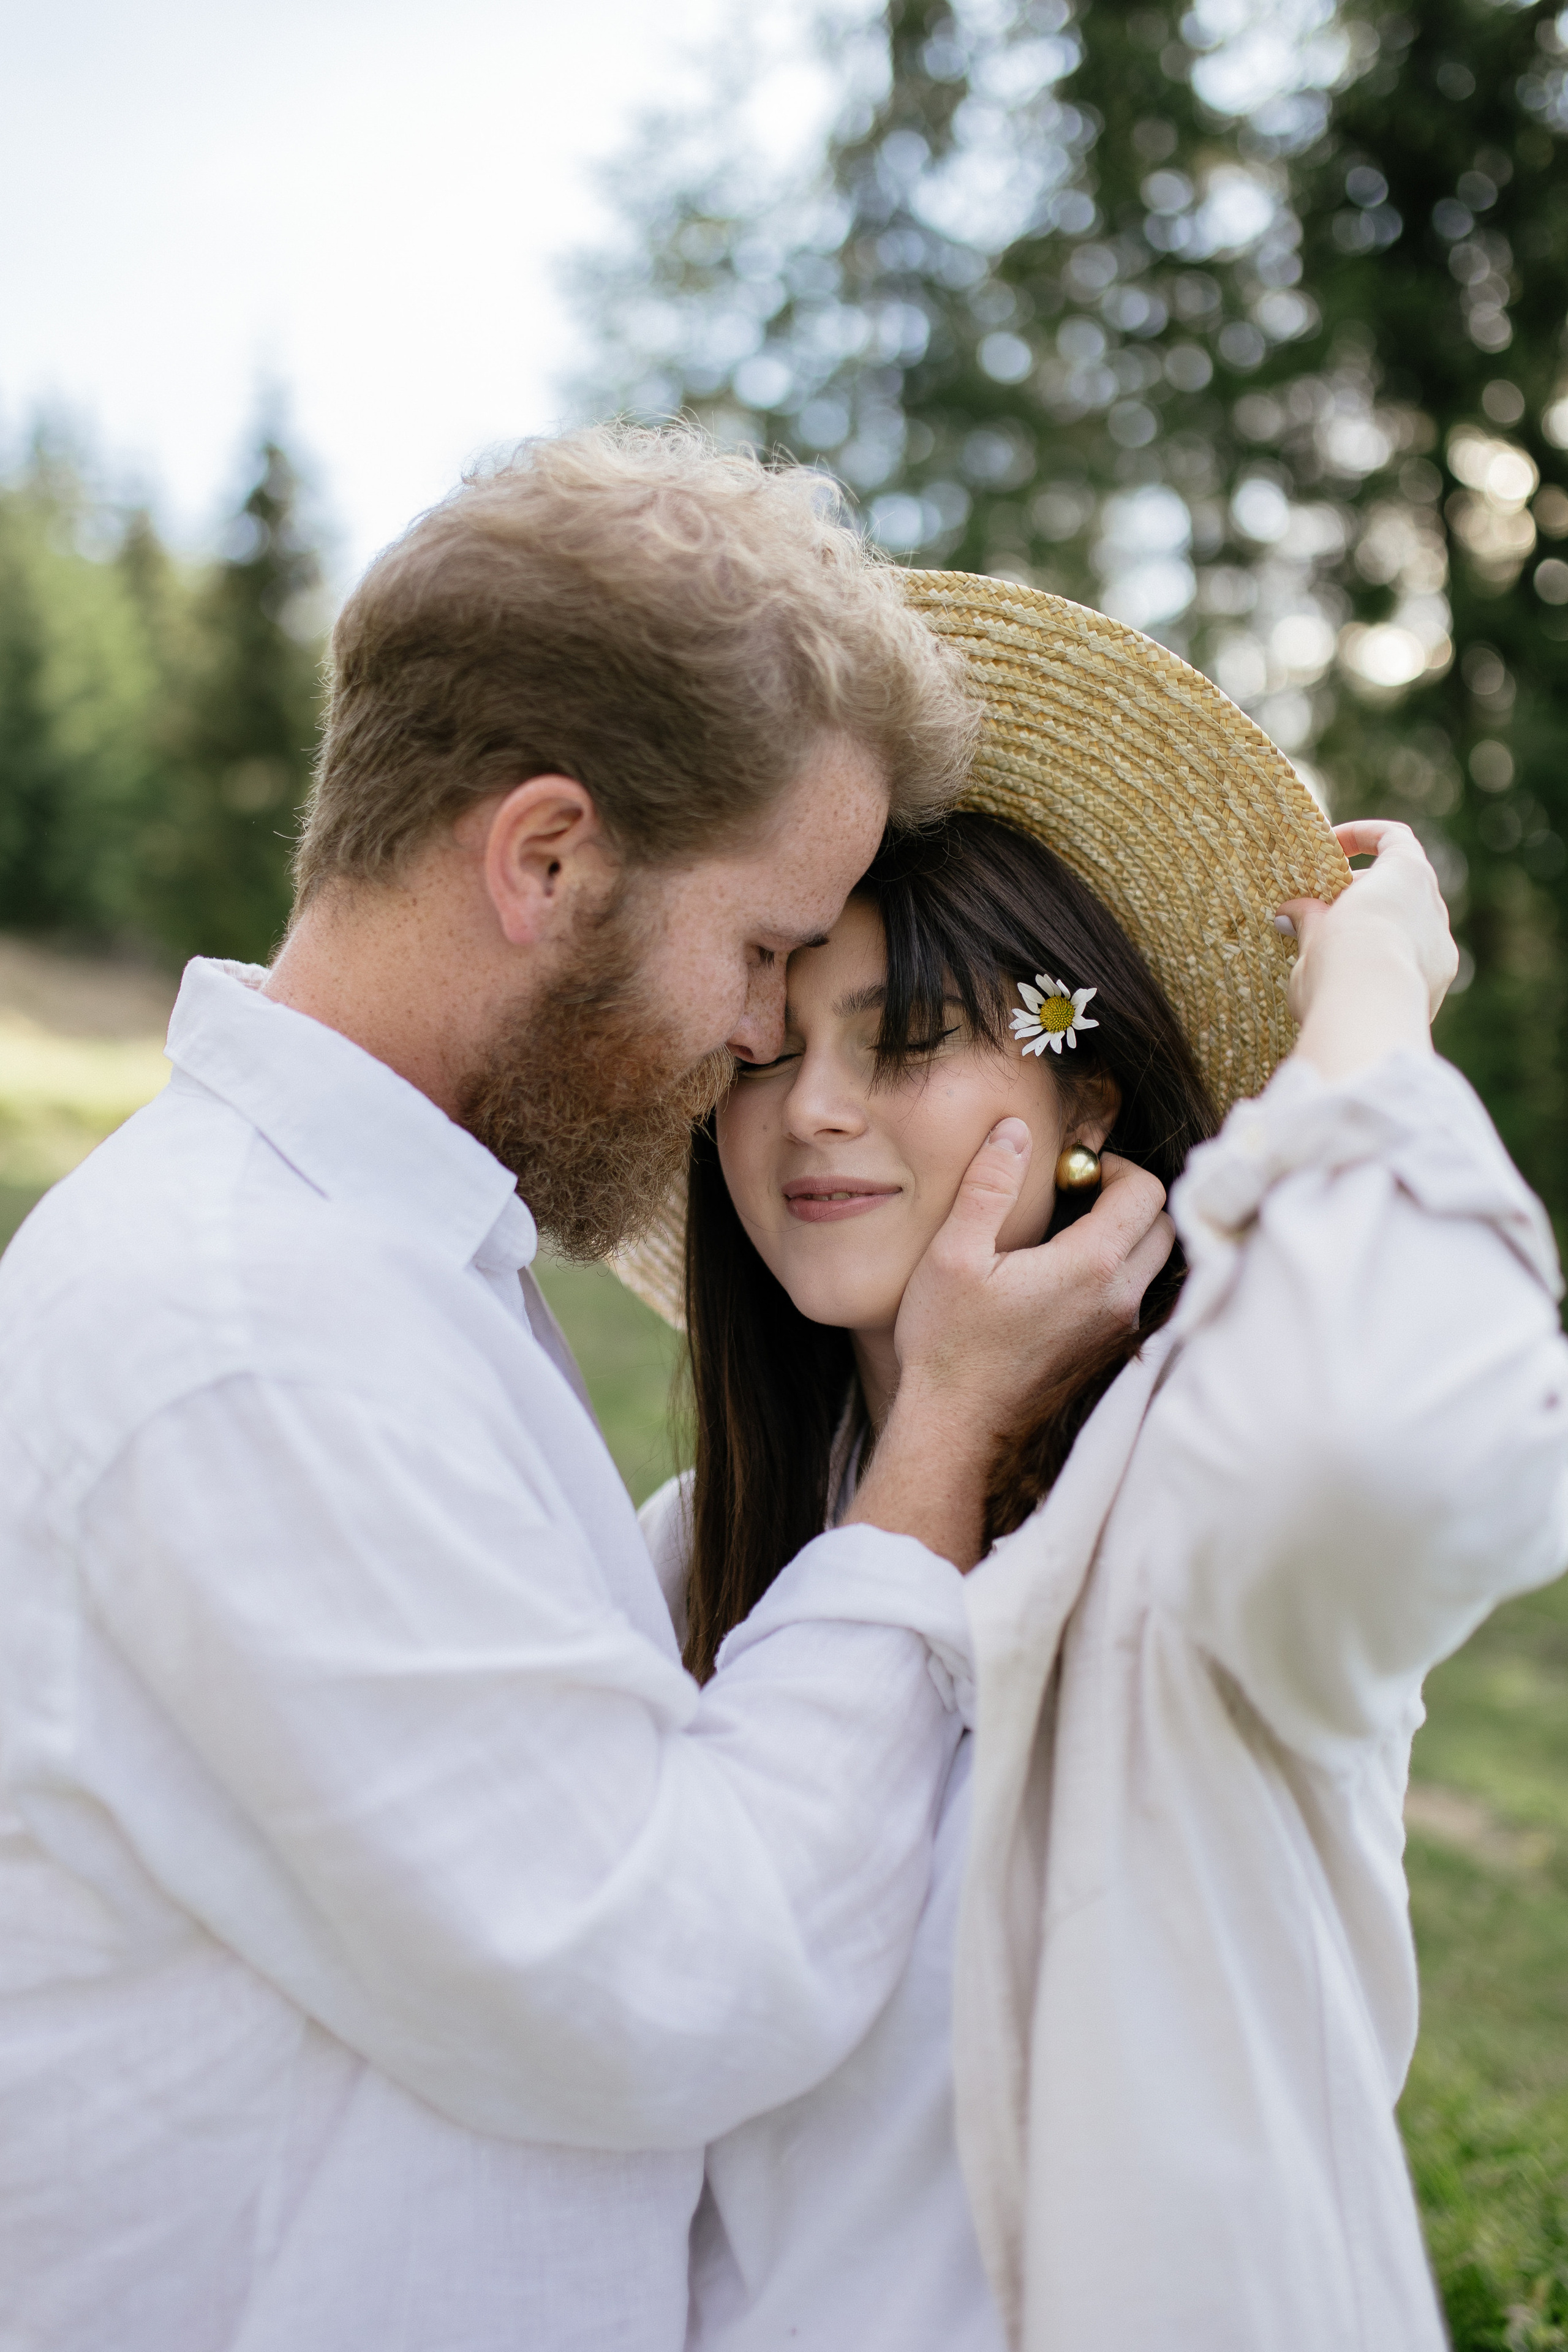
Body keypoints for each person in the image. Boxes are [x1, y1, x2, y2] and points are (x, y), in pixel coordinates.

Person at [0, 439, 1174, 2352]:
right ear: (548, 859)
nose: (754, 1043)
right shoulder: (247, 1334)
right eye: (769, 950)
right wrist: (945, 1439)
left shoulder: (382, 1270)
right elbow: (668, 1968)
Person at [624, 573, 1568, 2352]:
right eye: (769, 1052)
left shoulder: (1203, 1489)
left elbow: (1410, 1439)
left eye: (907, 1038)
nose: (814, 1108)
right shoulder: (691, 1557)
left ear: (1089, 1105)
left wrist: (1363, 1021)